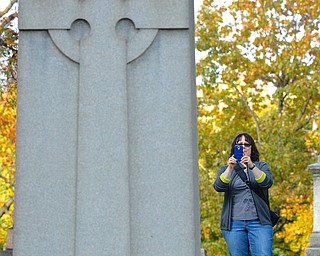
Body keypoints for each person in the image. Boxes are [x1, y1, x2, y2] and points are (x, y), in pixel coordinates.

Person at [213, 132, 274, 256]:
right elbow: (219, 187)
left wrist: (251, 166)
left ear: (252, 147)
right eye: (239, 144)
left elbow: (266, 182)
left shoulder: (261, 165)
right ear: (234, 147)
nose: (244, 147)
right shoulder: (226, 169)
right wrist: (230, 168)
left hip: (259, 222)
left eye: (247, 144)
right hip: (234, 223)